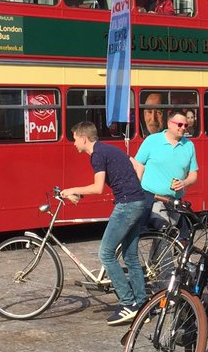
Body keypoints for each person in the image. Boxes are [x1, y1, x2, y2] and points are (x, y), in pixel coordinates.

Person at [63, 121, 154, 325]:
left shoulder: (97, 155)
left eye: (75, 138)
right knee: (130, 256)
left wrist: (71, 190)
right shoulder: (109, 149)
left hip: (128, 204)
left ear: (83, 138)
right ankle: (141, 305)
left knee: (105, 253)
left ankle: (128, 303)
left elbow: (97, 188)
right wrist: (131, 190)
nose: (73, 143)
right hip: (138, 201)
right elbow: (139, 166)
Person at [131, 109, 198, 236]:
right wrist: (135, 192)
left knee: (180, 238)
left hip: (175, 200)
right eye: (179, 125)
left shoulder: (189, 145)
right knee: (163, 232)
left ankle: (174, 256)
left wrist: (184, 182)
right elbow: (137, 165)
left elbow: (194, 174)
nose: (183, 128)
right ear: (169, 124)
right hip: (152, 197)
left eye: (185, 125)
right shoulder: (152, 141)